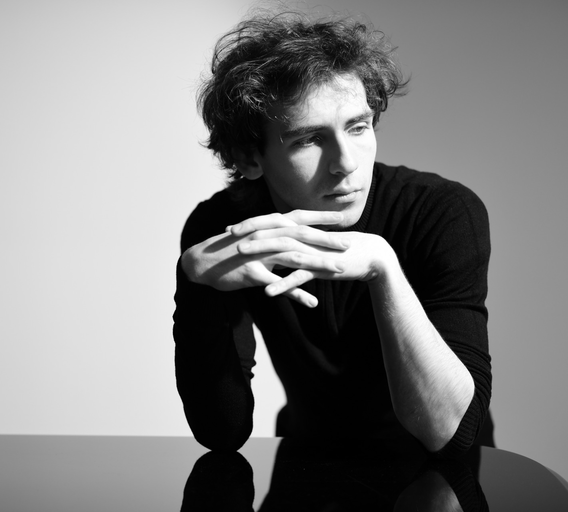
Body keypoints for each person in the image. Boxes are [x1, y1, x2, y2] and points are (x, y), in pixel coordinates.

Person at [173, 11, 492, 458]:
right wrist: (194, 288)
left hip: (439, 477)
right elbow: (221, 433)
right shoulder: (227, 229)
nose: (346, 163)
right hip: (305, 467)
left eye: (358, 127)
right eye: (309, 139)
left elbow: (448, 433)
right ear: (249, 158)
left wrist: (383, 268)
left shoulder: (442, 212)